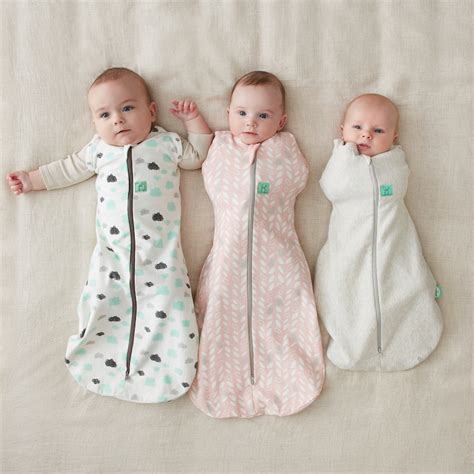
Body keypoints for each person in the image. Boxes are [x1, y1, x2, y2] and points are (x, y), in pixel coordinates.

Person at [6, 67, 213, 402]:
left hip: (162, 256)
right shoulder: (98, 150)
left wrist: (193, 121)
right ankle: (103, 361)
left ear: (151, 111)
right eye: (105, 115)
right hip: (112, 254)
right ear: (95, 123)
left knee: (170, 306)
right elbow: (68, 168)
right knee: (102, 300)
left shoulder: (166, 143)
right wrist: (32, 180)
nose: (117, 119)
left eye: (127, 108)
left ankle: (168, 367)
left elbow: (198, 156)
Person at [189, 71, 325, 418]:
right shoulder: (221, 145)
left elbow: (297, 180)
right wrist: (193, 120)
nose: (251, 122)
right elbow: (199, 150)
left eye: (263, 115)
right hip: (227, 256)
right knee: (221, 315)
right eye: (241, 113)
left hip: (279, 257)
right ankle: (227, 387)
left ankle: (285, 382)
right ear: (228, 114)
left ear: (281, 121)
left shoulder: (284, 149)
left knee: (283, 316)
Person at [315, 93, 442, 371]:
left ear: (394, 137)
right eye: (357, 127)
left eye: (379, 130)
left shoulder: (395, 164)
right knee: (347, 294)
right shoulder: (341, 162)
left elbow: (397, 188)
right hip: (349, 249)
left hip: (393, 246)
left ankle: (407, 336)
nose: (366, 135)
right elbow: (332, 187)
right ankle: (353, 344)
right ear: (342, 131)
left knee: (401, 286)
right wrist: (345, 155)